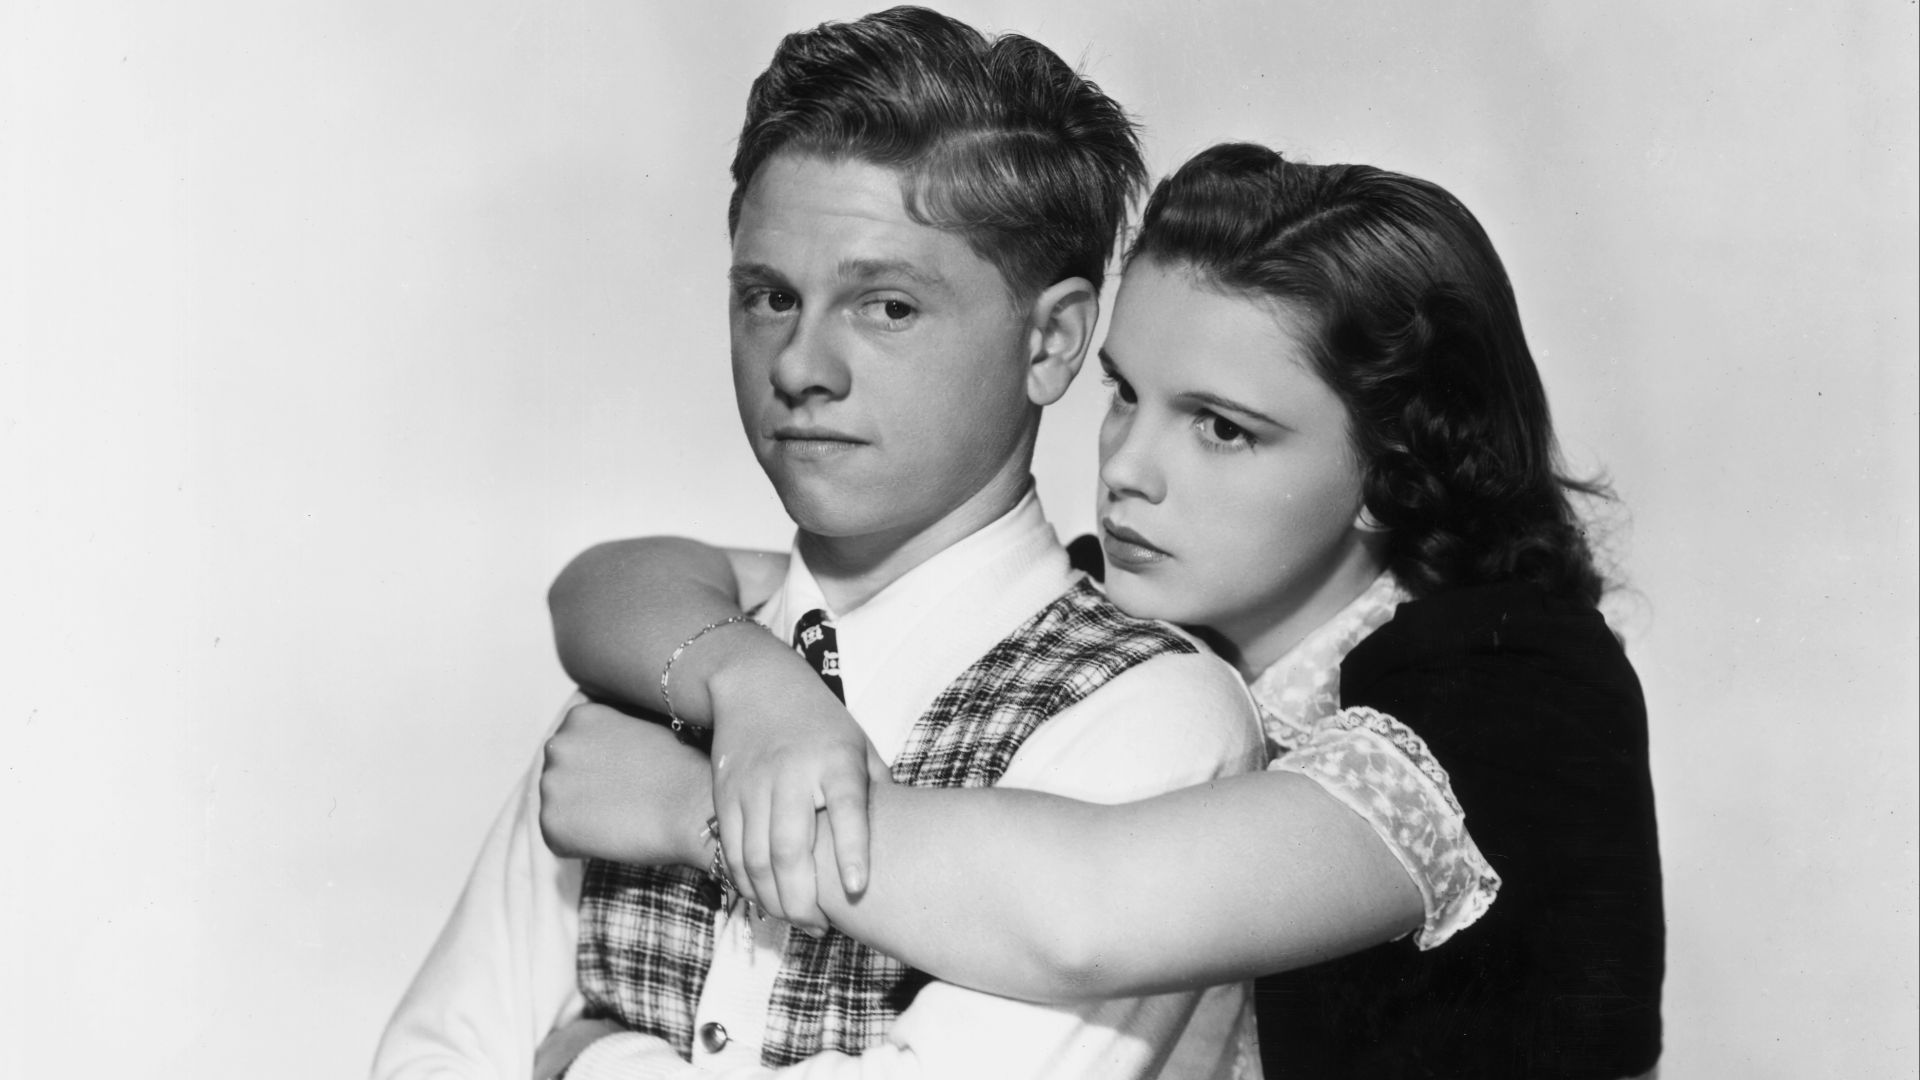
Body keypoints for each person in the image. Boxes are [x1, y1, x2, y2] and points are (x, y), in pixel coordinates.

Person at [542, 143, 1666, 1078]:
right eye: (1127, 393)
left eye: (1221, 427)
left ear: (1395, 469)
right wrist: (754, 689)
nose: (1128, 465)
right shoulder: (1145, 622)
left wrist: (693, 808)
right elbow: (632, 582)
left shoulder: (1517, 687)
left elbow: (1088, 914)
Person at [373, 9, 1277, 1079]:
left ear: (1052, 340)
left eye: (886, 306)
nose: (802, 364)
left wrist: (585, 1060)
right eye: (769, 297)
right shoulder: (660, 671)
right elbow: (432, 1056)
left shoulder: (1148, 715)